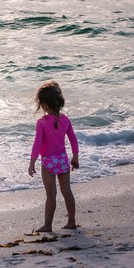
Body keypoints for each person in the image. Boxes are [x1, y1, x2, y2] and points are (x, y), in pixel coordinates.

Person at [28, 80, 79, 232]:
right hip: (62, 160)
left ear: (44, 104)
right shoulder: (65, 120)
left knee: (51, 195)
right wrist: (75, 157)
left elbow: (37, 143)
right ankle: (71, 221)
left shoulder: (42, 123)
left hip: (48, 162)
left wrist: (32, 162)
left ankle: (48, 225)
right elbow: (73, 139)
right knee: (67, 191)